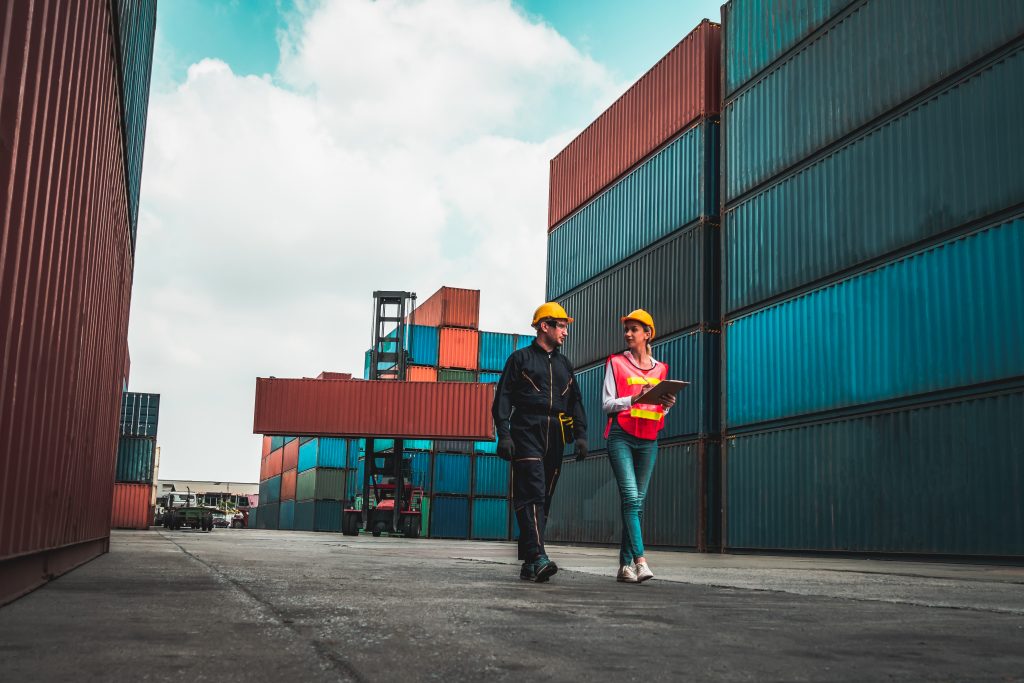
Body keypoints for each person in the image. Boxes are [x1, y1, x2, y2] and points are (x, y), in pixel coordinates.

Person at [492, 302, 587, 582]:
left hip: (555, 434)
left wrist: (581, 435)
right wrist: (504, 434)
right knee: (531, 493)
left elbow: (576, 402)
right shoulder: (520, 359)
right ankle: (540, 557)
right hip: (526, 430)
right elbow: (503, 398)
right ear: (544, 326)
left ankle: (529, 560)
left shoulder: (564, 365)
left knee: (543, 498)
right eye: (561, 325)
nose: (566, 332)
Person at [602, 309, 676, 583]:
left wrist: (666, 406)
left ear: (648, 334)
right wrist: (632, 399)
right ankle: (640, 561)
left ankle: (623, 567)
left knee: (636, 504)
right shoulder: (615, 363)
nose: (628, 334)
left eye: (634, 329)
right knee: (632, 499)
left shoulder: (661, 369)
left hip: (649, 439)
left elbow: (658, 409)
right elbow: (607, 404)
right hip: (621, 435)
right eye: (627, 329)